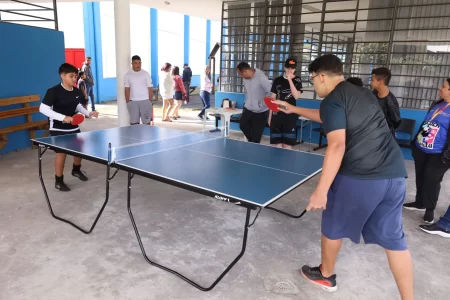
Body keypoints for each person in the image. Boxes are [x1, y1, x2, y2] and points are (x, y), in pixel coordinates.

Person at [273, 54, 413, 300]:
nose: (314, 85)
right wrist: (294, 108)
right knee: (394, 241)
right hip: (395, 176)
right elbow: (331, 118)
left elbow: (336, 145)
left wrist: (321, 190)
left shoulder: (333, 100)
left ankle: (326, 275)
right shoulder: (361, 94)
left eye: (313, 79)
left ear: (322, 76)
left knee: (332, 226)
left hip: (362, 176)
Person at [39, 63, 99, 191]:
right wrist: (62, 117)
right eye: (71, 76)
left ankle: (76, 170)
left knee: (78, 149)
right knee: (62, 153)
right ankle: (58, 180)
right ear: (62, 76)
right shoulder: (53, 91)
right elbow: (43, 108)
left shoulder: (76, 91)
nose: (74, 79)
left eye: (75, 76)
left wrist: (88, 113)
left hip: (73, 126)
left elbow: (77, 106)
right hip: (57, 128)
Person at [403, 78, 450, 224]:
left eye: (444, 86)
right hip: (422, 149)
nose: (440, 88)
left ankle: (429, 209)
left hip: (439, 154)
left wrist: (447, 155)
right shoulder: (437, 104)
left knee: (432, 180)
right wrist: (415, 143)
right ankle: (419, 202)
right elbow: (426, 123)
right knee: (421, 176)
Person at [269, 57, 303, 149]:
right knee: (277, 144)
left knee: (287, 144)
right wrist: (270, 117)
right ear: (284, 68)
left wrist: (289, 80)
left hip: (290, 116)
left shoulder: (298, 80)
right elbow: (273, 99)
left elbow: (296, 96)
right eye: (288, 67)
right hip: (277, 115)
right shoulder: (277, 80)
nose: (289, 70)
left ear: (295, 69)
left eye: (292, 68)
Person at [236, 62, 272, 143]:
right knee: (242, 124)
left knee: (256, 137)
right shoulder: (246, 78)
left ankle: (254, 144)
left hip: (261, 111)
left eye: (240, 74)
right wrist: (247, 102)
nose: (241, 76)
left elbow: (270, 93)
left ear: (246, 71)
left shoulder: (261, 78)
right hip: (248, 108)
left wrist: (261, 105)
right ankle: (251, 141)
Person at [124, 55, 154, 125]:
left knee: (146, 124)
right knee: (134, 124)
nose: (138, 65)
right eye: (136, 63)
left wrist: (149, 101)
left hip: (145, 101)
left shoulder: (146, 74)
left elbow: (150, 88)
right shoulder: (128, 75)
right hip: (133, 102)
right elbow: (126, 89)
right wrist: (128, 102)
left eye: (139, 63)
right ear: (132, 64)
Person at [371, 67, 401, 135]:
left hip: (385, 137)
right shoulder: (373, 94)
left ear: (380, 82)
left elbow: (396, 122)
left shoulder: (391, 101)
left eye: (372, 80)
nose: (371, 82)